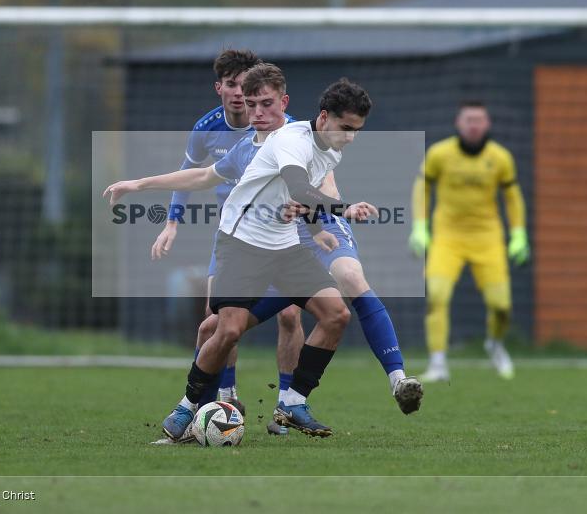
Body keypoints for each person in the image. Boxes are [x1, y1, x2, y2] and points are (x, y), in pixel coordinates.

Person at [107, 67, 423, 438]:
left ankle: (292, 402)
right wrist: (344, 208)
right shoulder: (292, 140)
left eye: (356, 130)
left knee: (336, 314)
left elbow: (293, 199)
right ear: (324, 118)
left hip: (285, 247)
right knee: (226, 331)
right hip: (242, 245)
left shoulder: (330, 148)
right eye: (346, 128)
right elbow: (298, 189)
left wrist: (317, 229)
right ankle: (187, 407)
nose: (351, 138)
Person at [147, 48, 304, 427]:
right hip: (233, 236)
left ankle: (286, 402)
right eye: (233, 85)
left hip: (281, 234)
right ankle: (225, 398)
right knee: (216, 321)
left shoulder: (286, 128)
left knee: (289, 312)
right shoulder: (207, 129)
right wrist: (172, 222)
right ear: (220, 88)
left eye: (247, 86)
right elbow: (191, 175)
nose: (240, 94)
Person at [409, 101, 529, 382]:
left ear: (487, 124)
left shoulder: (500, 157)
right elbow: (422, 187)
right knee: (437, 296)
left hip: (487, 237)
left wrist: (519, 233)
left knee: (501, 306)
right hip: (448, 237)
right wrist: (419, 226)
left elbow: (512, 196)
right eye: (468, 119)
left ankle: (495, 344)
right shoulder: (440, 153)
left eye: (479, 120)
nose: (474, 125)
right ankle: (438, 364)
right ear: (458, 123)